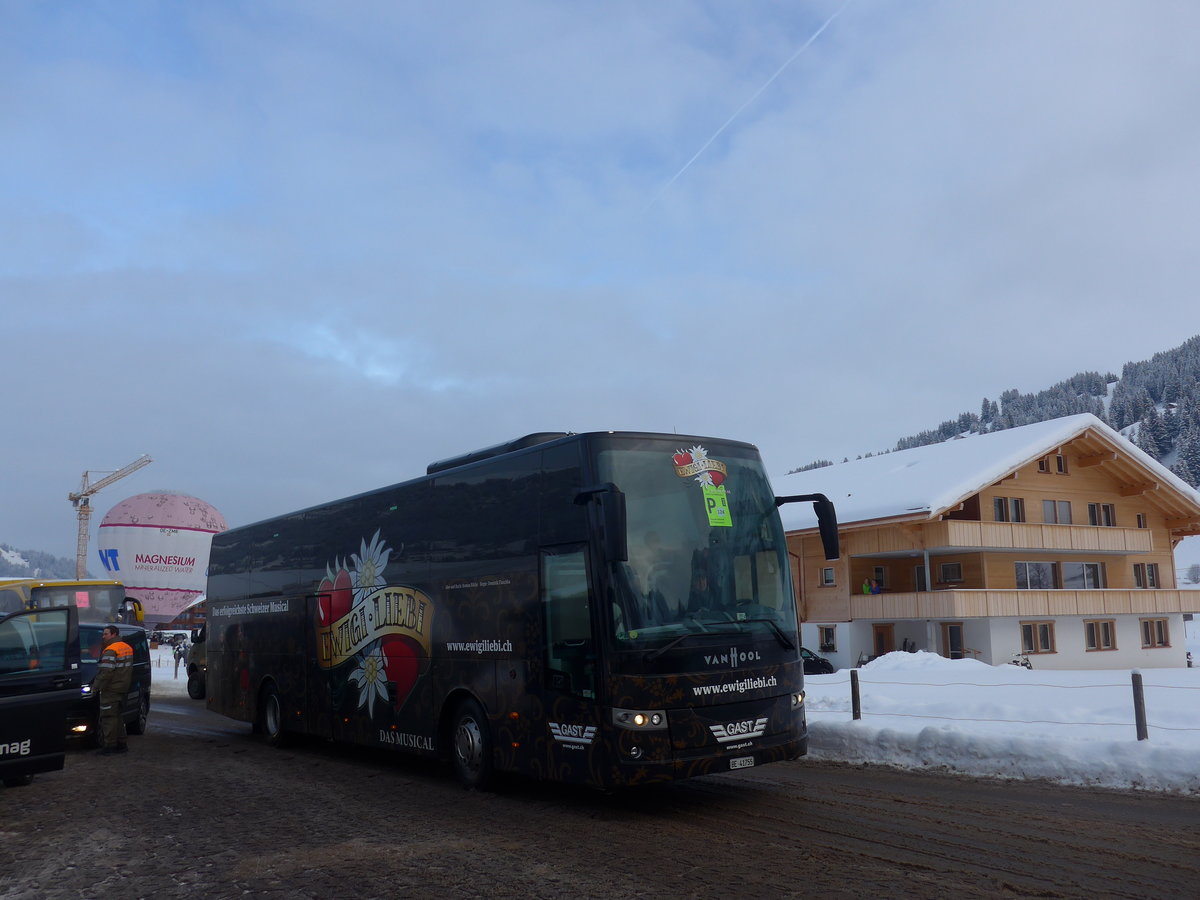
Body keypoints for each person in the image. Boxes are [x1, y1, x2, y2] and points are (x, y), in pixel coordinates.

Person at [94, 625, 133, 755]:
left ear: (113, 634)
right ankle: (122, 744)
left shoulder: (110, 650)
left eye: (106, 634)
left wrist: (96, 687)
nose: (103, 636)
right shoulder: (127, 647)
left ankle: (109, 746)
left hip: (111, 688)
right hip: (123, 687)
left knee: (108, 717)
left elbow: (106, 672)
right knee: (118, 716)